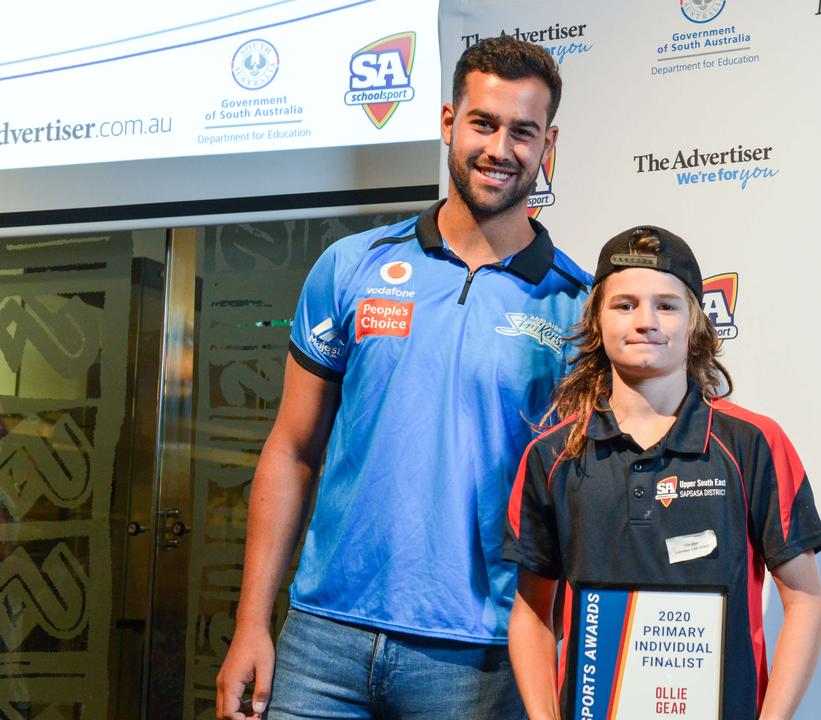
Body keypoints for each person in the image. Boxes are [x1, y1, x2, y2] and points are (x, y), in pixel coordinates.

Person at [216, 35, 591, 720]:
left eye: (523, 132)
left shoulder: (578, 307)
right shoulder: (349, 266)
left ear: (548, 144)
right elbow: (292, 449)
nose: (499, 149)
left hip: (477, 657)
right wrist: (251, 623)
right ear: (449, 123)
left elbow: (578, 504)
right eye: (482, 122)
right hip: (322, 640)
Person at [505, 227, 821, 720]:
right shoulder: (551, 456)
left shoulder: (754, 444)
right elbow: (532, 614)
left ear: (695, 322)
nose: (645, 321)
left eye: (667, 305)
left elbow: (805, 601)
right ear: (596, 317)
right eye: (625, 304)